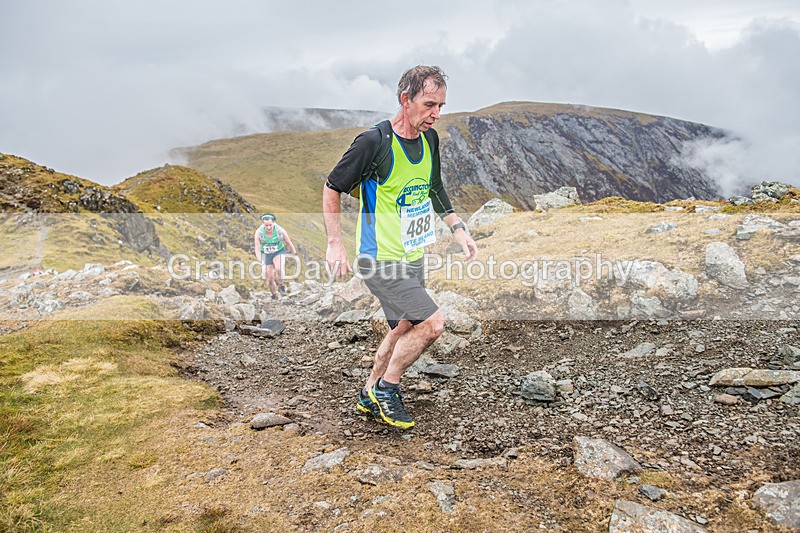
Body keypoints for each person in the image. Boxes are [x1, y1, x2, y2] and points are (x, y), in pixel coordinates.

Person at [323, 65, 478, 429]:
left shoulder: (429, 140)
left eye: (441, 106)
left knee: (403, 327)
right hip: (379, 259)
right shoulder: (374, 142)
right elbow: (333, 186)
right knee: (433, 324)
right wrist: (335, 244)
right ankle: (387, 389)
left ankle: (368, 391)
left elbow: (434, 187)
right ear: (405, 100)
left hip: (412, 256)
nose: (436, 114)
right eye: (429, 105)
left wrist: (458, 228)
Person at [254, 213, 296, 299]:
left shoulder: (280, 231)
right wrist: (262, 262)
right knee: (269, 278)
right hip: (265, 254)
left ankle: (281, 286)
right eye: (266, 225)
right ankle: (274, 294)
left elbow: (288, 243)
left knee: (278, 268)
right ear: (263, 224)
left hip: (278, 252)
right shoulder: (259, 232)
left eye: (270, 225)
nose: (268, 227)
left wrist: (294, 254)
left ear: (274, 223)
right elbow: (257, 249)